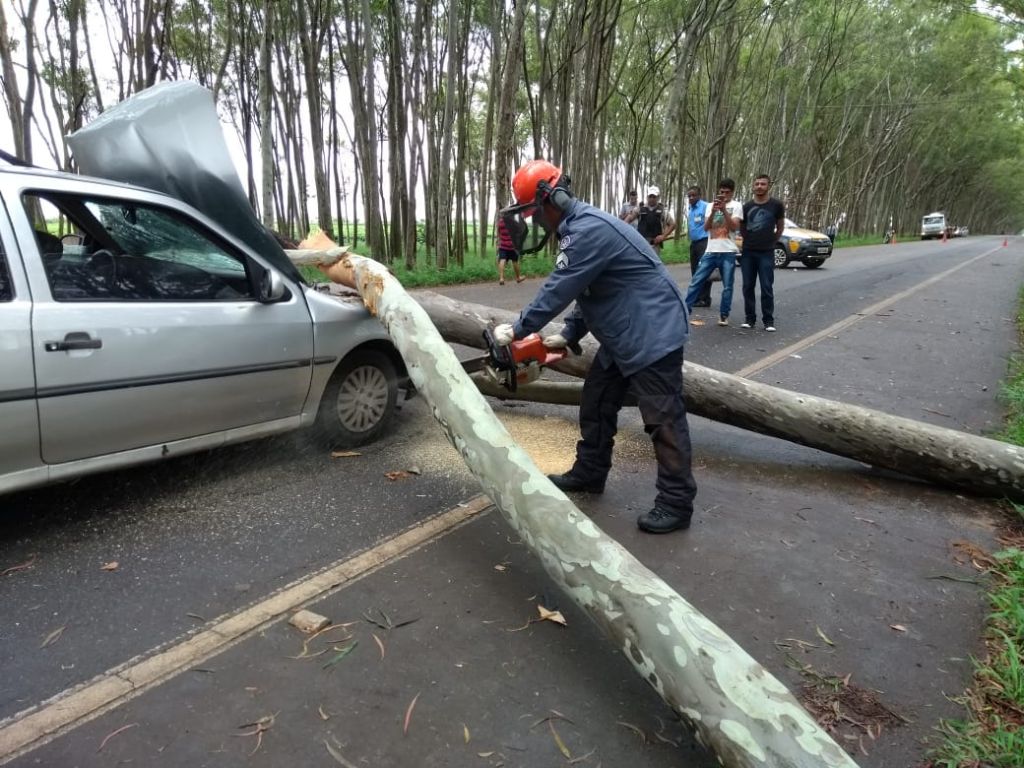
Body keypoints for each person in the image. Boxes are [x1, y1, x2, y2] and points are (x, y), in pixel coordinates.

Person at [492, 159, 697, 534]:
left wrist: (518, 329)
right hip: (624, 331)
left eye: (534, 212)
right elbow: (590, 288)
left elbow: (561, 287)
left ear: (552, 197)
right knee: (598, 399)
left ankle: (676, 502)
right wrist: (570, 333)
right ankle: (590, 472)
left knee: (663, 418)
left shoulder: (588, 230)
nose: (534, 221)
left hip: (651, 332)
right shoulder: (580, 228)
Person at [684, 178, 742, 326]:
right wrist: (714, 211)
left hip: (728, 251)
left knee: (728, 286)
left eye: (727, 192)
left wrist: (724, 210)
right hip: (711, 250)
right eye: (722, 192)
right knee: (696, 281)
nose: (724, 195)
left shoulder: (736, 206)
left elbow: (734, 227)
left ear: (732, 192)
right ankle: (684, 311)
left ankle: (723, 315)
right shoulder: (710, 206)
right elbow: (706, 227)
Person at [740, 174, 785, 332]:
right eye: (757, 184)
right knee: (747, 286)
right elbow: (742, 227)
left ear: (768, 186)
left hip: (766, 252)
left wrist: (773, 241)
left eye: (763, 184)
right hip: (748, 252)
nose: (759, 186)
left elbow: (780, 227)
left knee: (766, 286)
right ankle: (749, 319)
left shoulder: (776, 205)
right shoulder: (746, 207)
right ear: (753, 186)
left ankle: (768, 320)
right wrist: (748, 240)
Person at [686, 186, 713, 307]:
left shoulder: (706, 206)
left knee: (704, 270)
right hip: (694, 243)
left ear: (699, 195)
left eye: (693, 195)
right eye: (689, 196)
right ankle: (697, 297)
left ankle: (705, 298)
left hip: (704, 242)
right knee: (695, 270)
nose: (691, 198)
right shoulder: (690, 208)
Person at [628, 186, 676, 253]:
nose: (652, 199)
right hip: (641, 242)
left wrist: (663, 236)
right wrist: (621, 225)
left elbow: (673, 224)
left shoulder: (663, 210)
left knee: (653, 262)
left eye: (654, 197)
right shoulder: (640, 208)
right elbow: (630, 218)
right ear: (647, 197)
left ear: (658, 197)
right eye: (650, 196)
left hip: (654, 244)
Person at [496, 214, 524, 285]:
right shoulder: (514, 222)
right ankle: (518, 278)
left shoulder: (500, 222)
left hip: (502, 246)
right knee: (515, 261)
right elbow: (519, 232)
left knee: (502, 259)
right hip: (512, 246)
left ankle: (501, 278)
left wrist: (501, 240)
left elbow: (499, 233)